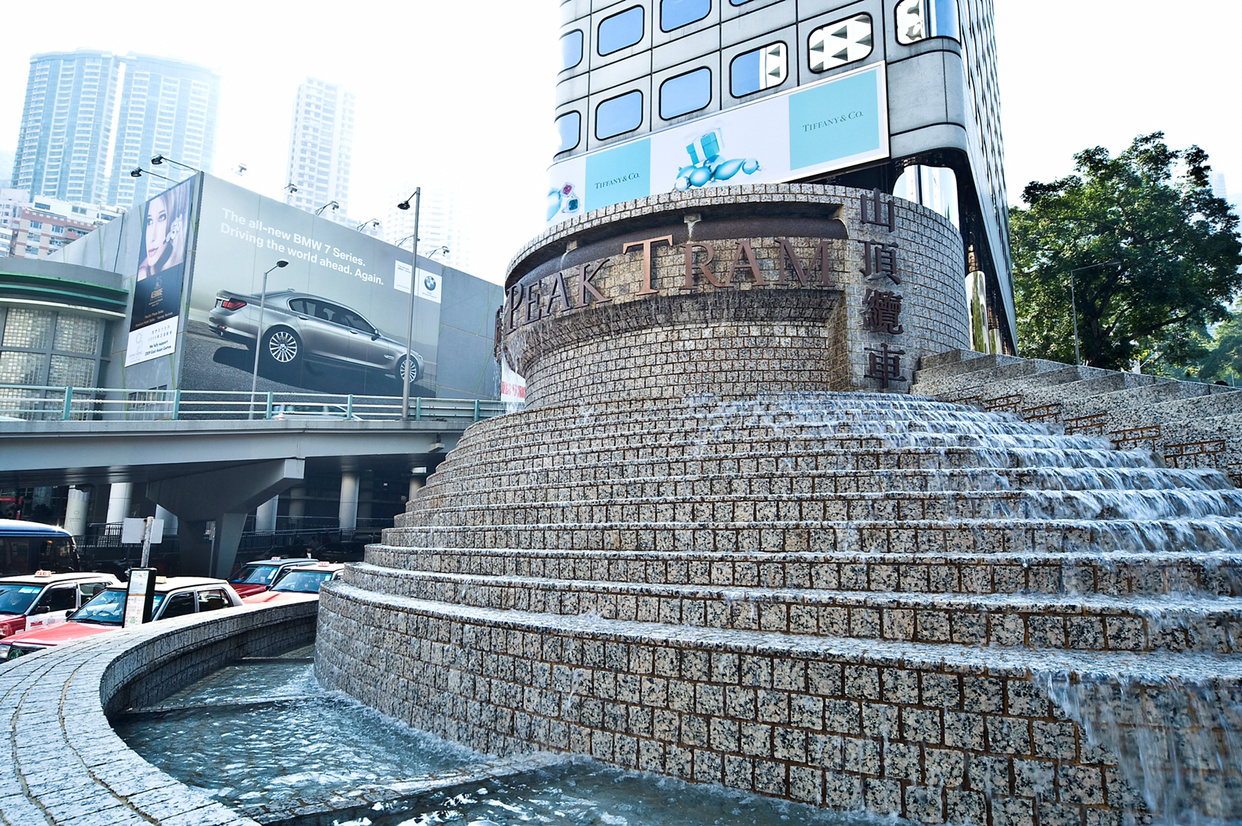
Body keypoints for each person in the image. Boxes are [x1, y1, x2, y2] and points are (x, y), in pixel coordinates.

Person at [136, 183, 191, 281]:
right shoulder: (142, 274)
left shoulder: (179, 272)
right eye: (149, 221)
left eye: (162, 217)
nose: (152, 237)